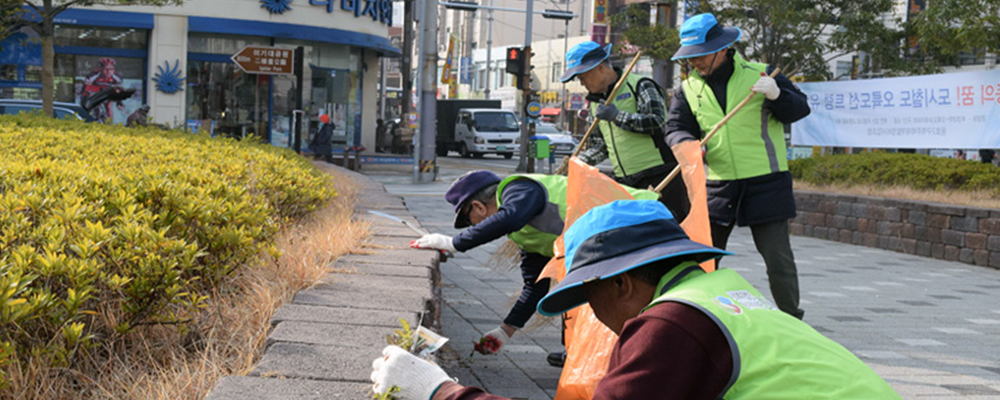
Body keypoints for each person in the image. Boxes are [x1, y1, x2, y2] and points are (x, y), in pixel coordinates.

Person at [372, 200, 902, 400]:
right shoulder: (720, 290)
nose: (594, 317)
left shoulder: (674, 323)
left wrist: (441, 392)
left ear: (621, 282)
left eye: (587, 296)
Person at [409, 170, 655, 367]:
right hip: (617, 246)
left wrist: (455, 243)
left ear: (479, 207)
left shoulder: (520, 189)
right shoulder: (522, 233)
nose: (471, 226)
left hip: (645, 220)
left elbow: (510, 216)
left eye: (468, 220)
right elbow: (535, 286)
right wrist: (505, 331)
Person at [665, 13, 810, 319]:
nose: (696, 63)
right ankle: (696, 316)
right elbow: (675, 128)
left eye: (702, 56)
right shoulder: (687, 89)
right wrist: (688, 145)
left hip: (766, 181)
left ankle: (791, 318)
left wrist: (777, 93)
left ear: (723, 48)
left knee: (777, 258)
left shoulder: (761, 75)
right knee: (702, 257)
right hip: (720, 184)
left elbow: (799, 108)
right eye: (691, 58)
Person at [560, 41, 691, 222]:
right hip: (625, 183)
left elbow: (658, 122)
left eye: (582, 76)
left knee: (671, 231)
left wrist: (617, 116)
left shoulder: (640, 85)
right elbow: (602, 147)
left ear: (599, 68)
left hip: (659, 175)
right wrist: (577, 163)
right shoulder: (595, 105)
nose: (581, 83)